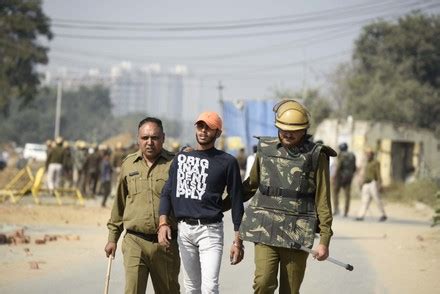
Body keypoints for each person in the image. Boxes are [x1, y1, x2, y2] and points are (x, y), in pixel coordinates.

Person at [239, 99, 336, 294]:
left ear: (304, 130)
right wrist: (218, 202)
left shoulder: (317, 155)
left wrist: (324, 240)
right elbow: (250, 185)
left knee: (290, 290)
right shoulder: (265, 149)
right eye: (283, 128)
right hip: (265, 227)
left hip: (297, 231)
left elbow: (323, 200)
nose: (287, 133)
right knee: (263, 282)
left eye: (294, 130)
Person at [158, 111, 244, 294]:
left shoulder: (227, 162)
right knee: (190, 288)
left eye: (209, 128)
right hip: (184, 231)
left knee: (210, 287)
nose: (203, 131)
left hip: (210, 232)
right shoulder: (181, 159)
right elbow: (167, 192)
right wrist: (163, 222)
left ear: (218, 133)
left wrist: (238, 241)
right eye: (200, 126)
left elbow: (237, 201)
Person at [104, 117, 180, 294]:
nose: (149, 142)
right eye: (145, 138)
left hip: (166, 244)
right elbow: (119, 204)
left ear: (163, 138)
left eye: (154, 138)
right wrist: (112, 238)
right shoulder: (128, 164)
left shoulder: (175, 164)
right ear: (138, 139)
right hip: (134, 241)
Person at [356, 148, 387, 222]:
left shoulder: (376, 162)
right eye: (367, 154)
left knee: (377, 200)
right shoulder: (366, 163)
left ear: (372, 155)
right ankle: (361, 215)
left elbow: (378, 174)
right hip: (366, 184)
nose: (368, 155)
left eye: (369, 154)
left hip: (373, 183)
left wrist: (380, 184)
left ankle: (383, 214)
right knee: (364, 201)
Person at [332, 142, 357, 217]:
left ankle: (336, 209)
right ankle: (346, 211)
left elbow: (339, 167)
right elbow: (354, 167)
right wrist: (351, 174)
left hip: (340, 177)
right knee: (347, 195)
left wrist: (335, 176)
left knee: (335, 192)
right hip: (349, 177)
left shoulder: (341, 155)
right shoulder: (352, 155)